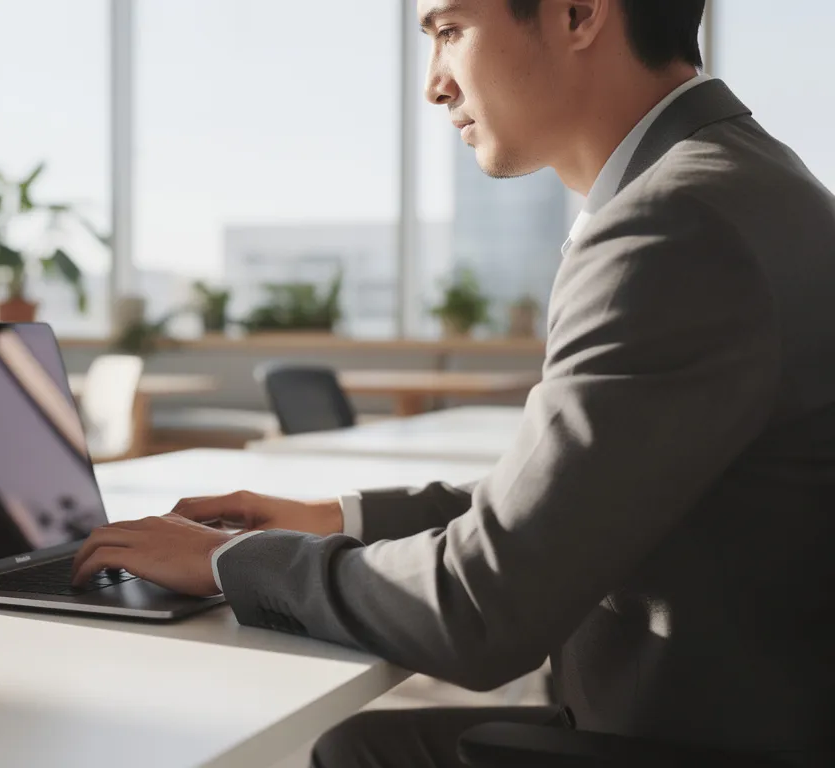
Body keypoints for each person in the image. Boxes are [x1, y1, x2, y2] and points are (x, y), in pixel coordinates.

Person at [72, 0, 835, 765]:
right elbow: (579, 494)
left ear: (577, 13)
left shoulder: (673, 225)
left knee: (353, 755)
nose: (435, 85)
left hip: (691, 737)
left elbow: (481, 609)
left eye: (449, 31)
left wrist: (227, 562)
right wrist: (335, 519)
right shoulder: (749, 182)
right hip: (747, 719)